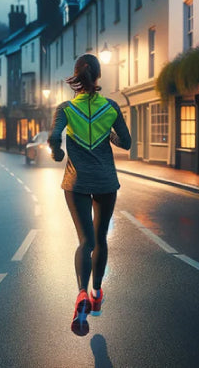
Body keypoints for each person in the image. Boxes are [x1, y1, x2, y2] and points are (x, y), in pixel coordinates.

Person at [48, 53, 131, 336]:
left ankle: (81, 293)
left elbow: (54, 138)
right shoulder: (111, 107)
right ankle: (96, 294)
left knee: (85, 241)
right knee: (101, 238)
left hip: (77, 183)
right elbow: (127, 143)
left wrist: (57, 151)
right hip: (106, 182)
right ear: (97, 77)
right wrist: (106, 132)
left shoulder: (66, 109)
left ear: (76, 76)